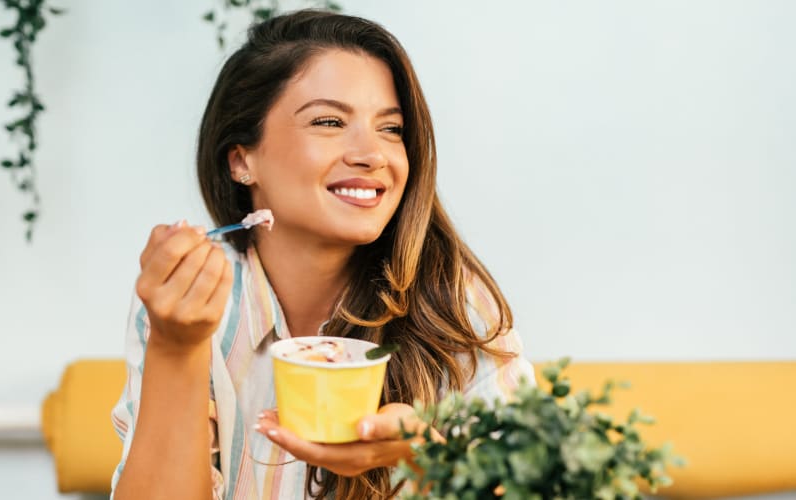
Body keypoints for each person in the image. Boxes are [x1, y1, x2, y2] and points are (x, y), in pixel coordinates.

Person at [109, 9, 534, 500]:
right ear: (242, 159)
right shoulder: (185, 303)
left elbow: (536, 486)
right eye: (330, 121)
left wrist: (424, 455)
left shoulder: (452, 302)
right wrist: (175, 348)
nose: (372, 154)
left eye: (391, 129)